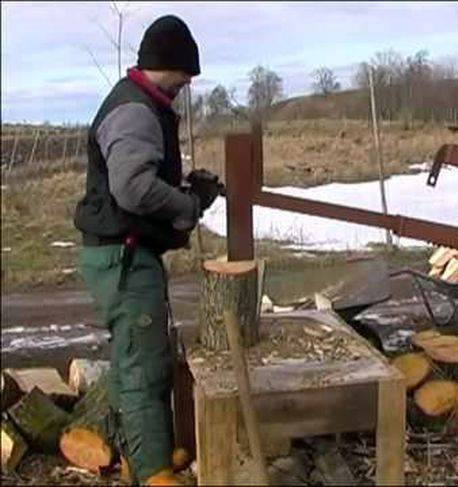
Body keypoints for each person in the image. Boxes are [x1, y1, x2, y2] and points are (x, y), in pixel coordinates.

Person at [73, 15, 222, 485]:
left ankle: (143, 456)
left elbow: (139, 179)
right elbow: (133, 188)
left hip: (126, 253)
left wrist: (182, 189)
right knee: (143, 367)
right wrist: (186, 205)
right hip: (124, 256)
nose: (187, 84)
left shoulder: (141, 104)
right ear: (168, 64)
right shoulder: (136, 111)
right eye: (185, 75)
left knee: (137, 359)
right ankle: (154, 475)